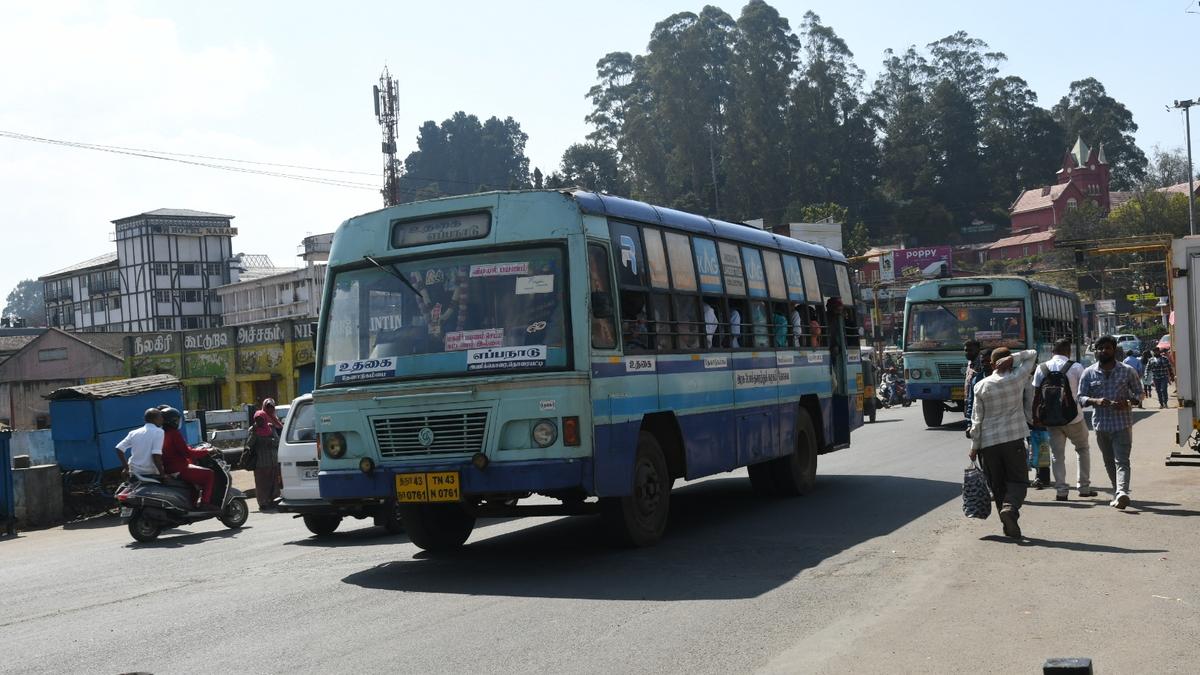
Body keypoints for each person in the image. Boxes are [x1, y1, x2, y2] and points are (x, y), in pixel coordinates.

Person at [968, 347, 1038, 539]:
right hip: (1013, 440)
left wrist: (974, 447)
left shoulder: (980, 386)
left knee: (997, 485)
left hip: (988, 445)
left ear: (992, 364)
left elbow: (977, 419)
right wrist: (1013, 358)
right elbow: (1032, 354)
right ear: (1009, 362)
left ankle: (1007, 524)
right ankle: (1010, 509)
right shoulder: (1017, 378)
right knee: (1018, 480)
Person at [1077, 335, 1144, 510]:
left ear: (1114, 350)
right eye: (1100, 348)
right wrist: (1095, 401)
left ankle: (1122, 492)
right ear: (1096, 351)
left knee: (1121, 460)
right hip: (1100, 425)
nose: (1103, 351)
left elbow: (1139, 393)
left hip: (1122, 424)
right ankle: (1118, 491)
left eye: (1107, 348)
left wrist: (1128, 403)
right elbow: (1081, 397)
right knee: (1108, 461)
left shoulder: (1127, 371)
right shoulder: (1088, 372)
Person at [1031, 338, 1095, 501]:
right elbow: (1085, 389)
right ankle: (1084, 487)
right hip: (1074, 418)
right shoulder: (1076, 367)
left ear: (1053, 351)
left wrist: (1036, 417)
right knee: (1082, 449)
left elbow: (1037, 396)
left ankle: (1061, 491)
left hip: (1051, 420)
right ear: (1068, 351)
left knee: (1057, 455)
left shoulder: (1041, 368)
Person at [157, 406, 220, 510]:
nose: (178, 422)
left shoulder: (161, 434)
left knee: (193, 484)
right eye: (176, 420)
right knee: (209, 474)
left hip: (168, 469)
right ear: (172, 420)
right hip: (179, 469)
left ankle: (193, 505)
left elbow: (180, 449)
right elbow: (187, 453)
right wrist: (208, 451)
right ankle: (205, 503)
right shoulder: (174, 433)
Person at [251, 398, 284, 511]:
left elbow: (278, 441)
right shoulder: (253, 430)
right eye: (258, 419)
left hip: (272, 460)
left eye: (271, 407)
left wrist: (269, 441)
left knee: (274, 482)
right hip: (260, 462)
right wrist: (255, 434)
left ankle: (274, 500)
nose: (260, 421)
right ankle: (263, 503)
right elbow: (249, 444)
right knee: (261, 484)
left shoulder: (271, 427)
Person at [114, 408, 165, 479]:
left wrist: (126, 468)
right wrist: (163, 475)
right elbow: (156, 455)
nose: (162, 419)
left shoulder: (133, 433)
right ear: (155, 419)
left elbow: (119, 448)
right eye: (161, 417)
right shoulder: (159, 432)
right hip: (150, 472)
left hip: (134, 472)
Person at [963, 340, 983, 421]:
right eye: (966, 350)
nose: (967, 353)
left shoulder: (982, 363)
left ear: (978, 350)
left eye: (970, 350)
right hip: (969, 400)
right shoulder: (970, 362)